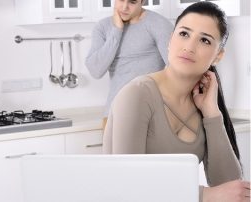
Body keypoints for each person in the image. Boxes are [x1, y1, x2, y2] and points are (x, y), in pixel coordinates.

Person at [103, 2, 250, 202]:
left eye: (205, 40)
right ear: (170, 40)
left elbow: (230, 188)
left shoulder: (203, 104)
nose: (189, 47)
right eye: (184, 34)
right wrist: (204, 195)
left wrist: (212, 113)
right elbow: (126, 184)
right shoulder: (137, 94)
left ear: (218, 56)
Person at [85, 0, 173, 127]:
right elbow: (95, 70)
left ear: (142, 2)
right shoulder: (103, 27)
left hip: (148, 113)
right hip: (113, 113)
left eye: (132, 2)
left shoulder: (159, 24)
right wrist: (117, 30)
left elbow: (176, 70)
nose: (125, 7)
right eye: (121, 0)